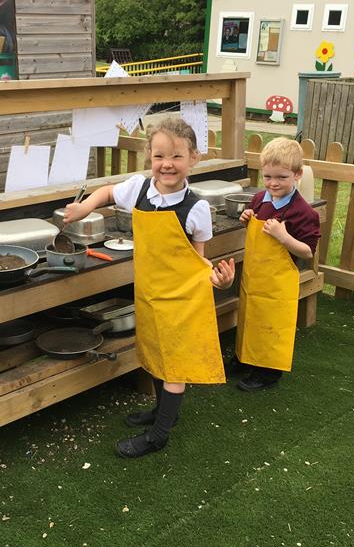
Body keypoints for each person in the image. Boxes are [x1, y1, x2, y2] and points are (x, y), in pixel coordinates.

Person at [62, 117, 235, 458]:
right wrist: (84, 207)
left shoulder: (196, 208)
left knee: (175, 365)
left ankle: (159, 435)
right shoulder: (139, 189)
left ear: (193, 158)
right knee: (155, 354)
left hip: (183, 300)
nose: (167, 164)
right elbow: (107, 192)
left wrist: (220, 280)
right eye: (159, 156)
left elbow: (199, 259)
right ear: (150, 157)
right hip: (150, 293)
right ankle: (161, 412)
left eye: (176, 156)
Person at [232, 137, 320, 391]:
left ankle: (268, 373)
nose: (273, 183)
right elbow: (254, 224)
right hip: (255, 276)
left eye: (281, 177)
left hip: (278, 283)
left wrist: (284, 236)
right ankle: (245, 358)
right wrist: (246, 217)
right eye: (267, 176)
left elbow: (307, 252)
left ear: (297, 175)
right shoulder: (261, 198)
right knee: (250, 318)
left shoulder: (304, 213)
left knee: (272, 326)